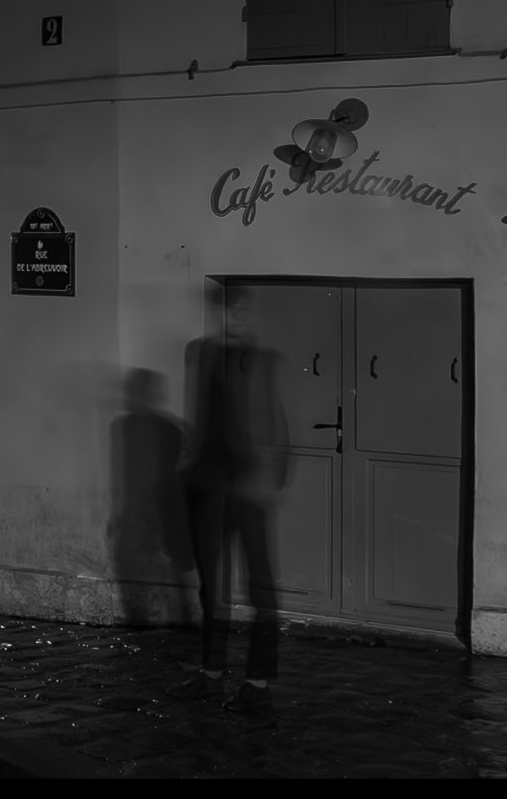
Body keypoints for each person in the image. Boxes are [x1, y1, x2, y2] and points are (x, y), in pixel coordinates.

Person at [175, 284, 290, 714]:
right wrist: (188, 465)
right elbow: (199, 415)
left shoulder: (262, 361)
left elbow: (277, 420)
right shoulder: (200, 353)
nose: (236, 315)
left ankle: (257, 683)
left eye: (242, 309)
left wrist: (271, 479)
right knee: (211, 586)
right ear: (219, 312)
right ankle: (210, 673)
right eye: (229, 309)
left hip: (247, 487)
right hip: (207, 485)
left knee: (261, 587)